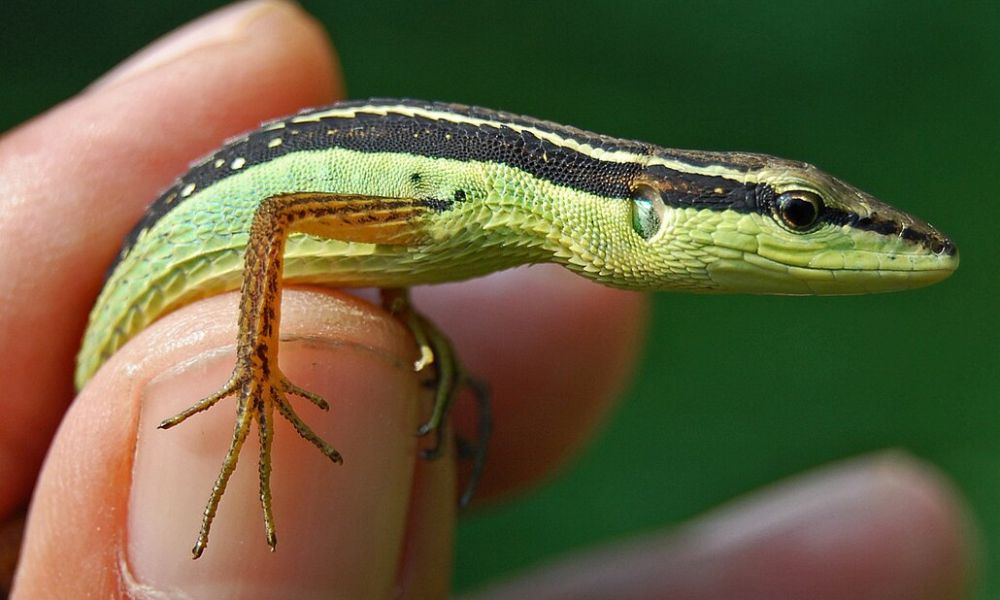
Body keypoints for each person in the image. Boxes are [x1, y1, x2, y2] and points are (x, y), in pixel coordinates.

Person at [2, 2, 971, 597]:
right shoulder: (478, 187)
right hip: (120, 315)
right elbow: (281, 213)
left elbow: (352, 240)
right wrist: (254, 370)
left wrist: (400, 306)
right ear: (648, 211)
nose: (824, 234)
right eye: (801, 215)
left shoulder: (488, 206)